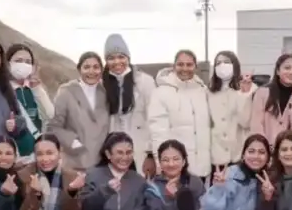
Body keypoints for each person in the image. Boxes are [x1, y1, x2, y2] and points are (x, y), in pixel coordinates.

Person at [149, 50, 213, 179]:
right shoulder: (161, 93)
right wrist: (161, 164)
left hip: (203, 168)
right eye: (180, 64)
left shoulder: (203, 91)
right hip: (175, 168)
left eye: (189, 64)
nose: (185, 68)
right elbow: (158, 132)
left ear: (196, 67)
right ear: (173, 66)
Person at [102, 33, 157, 176]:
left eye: (121, 57)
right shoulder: (102, 85)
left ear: (128, 58)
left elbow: (154, 119)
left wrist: (150, 153)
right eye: (111, 58)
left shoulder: (145, 82)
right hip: (114, 152)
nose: (117, 62)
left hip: (139, 150)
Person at [48, 51, 110, 170]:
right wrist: (73, 142)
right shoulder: (66, 91)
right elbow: (54, 126)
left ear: (101, 70)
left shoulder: (105, 92)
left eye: (96, 67)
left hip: (102, 165)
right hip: (75, 163)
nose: (91, 71)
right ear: (79, 69)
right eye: (86, 67)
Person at [6, 43, 55, 164]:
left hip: (36, 155)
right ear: (8, 64)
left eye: (28, 62)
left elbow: (50, 114)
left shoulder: (33, 90)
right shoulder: (3, 91)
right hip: (12, 157)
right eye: (18, 60)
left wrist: (37, 89)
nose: (23, 64)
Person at [249, 53, 292, 146]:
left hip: (289, 152)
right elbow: (256, 125)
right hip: (266, 151)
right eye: (287, 68)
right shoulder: (262, 93)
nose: (291, 72)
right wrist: (263, 147)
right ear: (278, 71)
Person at [207, 50, 255, 171]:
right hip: (216, 157)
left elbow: (246, 122)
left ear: (234, 65)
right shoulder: (208, 93)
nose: (222, 65)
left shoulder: (250, 90)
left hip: (238, 155)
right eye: (218, 63)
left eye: (226, 62)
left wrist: (244, 94)